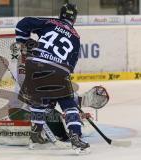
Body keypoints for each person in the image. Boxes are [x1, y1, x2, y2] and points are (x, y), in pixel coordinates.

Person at [15, 3, 89, 150]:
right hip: (58, 69)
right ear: (74, 18)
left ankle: (36, 131)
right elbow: (70, 67)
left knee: (39, 100)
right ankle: (75, 135)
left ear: (60, 15)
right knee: (68, 104)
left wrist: (23, 43)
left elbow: (22, 24)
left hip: (34, 64)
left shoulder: (50, 22)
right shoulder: (76, 37)